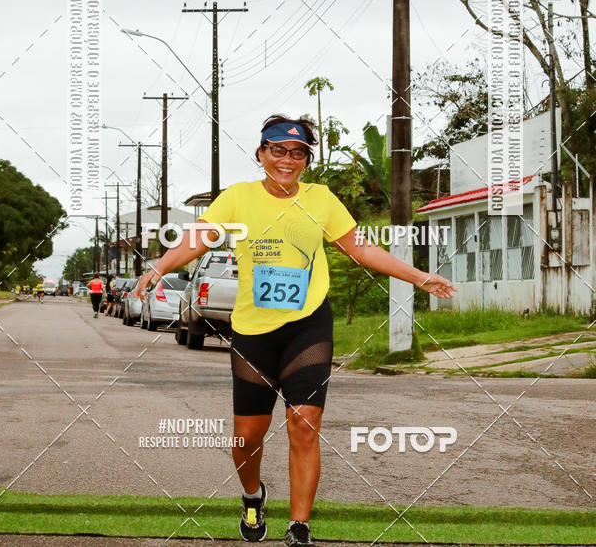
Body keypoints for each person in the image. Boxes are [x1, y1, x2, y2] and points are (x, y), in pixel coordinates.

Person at [135, 115, 455, 547]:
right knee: (247, 435)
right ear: (262, 153)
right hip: (252, 331)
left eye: (298, 152)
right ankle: (253, 495)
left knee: (303, 423)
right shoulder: (238, 199)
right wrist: (161, 264)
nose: (287, 159)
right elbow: (198, 237)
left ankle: (299, 526)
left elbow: (360, 248)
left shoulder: (321, 199)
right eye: (278, 150)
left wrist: (418, 277)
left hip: (308, 325)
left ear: (306, 158)